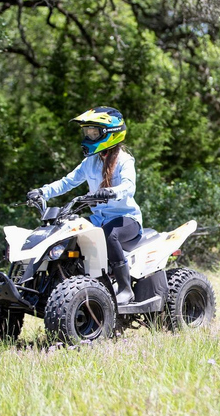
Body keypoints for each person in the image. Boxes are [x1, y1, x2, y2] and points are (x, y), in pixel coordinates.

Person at [26, 106, 142, 305]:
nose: (88, 136)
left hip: (126, 219)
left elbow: (129, 187)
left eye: (93, 132)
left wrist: (111, 191)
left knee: (108, 234)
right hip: (98, 219)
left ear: (110, 134)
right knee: (68, 233)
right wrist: (42, 192)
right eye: (87, 132)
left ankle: (125, 288)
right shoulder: (90, 162)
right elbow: (66, 182)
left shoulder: (124, 160)